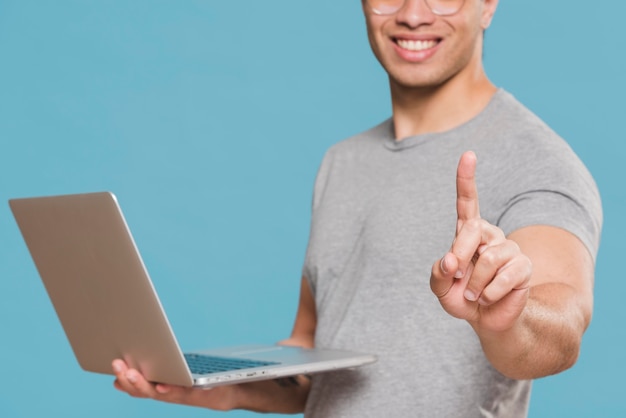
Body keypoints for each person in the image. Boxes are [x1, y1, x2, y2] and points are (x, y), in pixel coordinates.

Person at [112, 0, 603, 416]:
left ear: (489, 4)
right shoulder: (341, 162)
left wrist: (508, 320)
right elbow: (314, 356)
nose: (413, 15)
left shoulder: (538, 160)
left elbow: (562, 325)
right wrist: (232, 386)